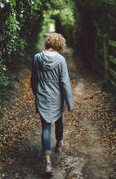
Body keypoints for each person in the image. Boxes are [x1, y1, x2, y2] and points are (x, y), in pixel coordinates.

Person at [31, 33, 74, 177]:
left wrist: (36, 93)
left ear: (48, 43)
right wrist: (70, 103)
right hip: (57, 96)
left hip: (42, 95)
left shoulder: (37, 58)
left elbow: (34, 78)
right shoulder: (61, 60)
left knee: (45, 126)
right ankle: (59, 142)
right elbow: (64, 82)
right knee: (59, 120)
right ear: (59, 45)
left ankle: (48, 163)